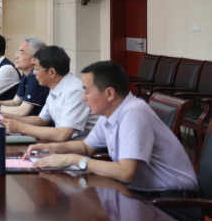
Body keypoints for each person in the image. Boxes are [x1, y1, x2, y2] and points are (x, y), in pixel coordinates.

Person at [26, 61, 198, 197]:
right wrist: (50, 148)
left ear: (109, 93)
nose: (83, 98)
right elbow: (86, 146)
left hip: (172, 199)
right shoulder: (110, 112)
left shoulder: (133, 113)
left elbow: (126, 173)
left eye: (87, 91)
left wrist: (74, 159)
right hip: (142, 192)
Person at [1, 46, 97, 141]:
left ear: (52, 72)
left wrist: (21, 127)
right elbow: (41, 120)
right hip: (64, 144)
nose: (34, 73)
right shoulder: (55, 86)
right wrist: (13, 119)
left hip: (80, 146)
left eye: (36, 69)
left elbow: (63, 135)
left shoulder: (75, 91)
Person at [0, 37, 50, 117]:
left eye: (21, 53)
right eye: (17, 53)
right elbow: (15, 102)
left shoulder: (36, 77)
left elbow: (23, 111)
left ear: (34, 59)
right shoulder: (26, 74)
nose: (16, 57)